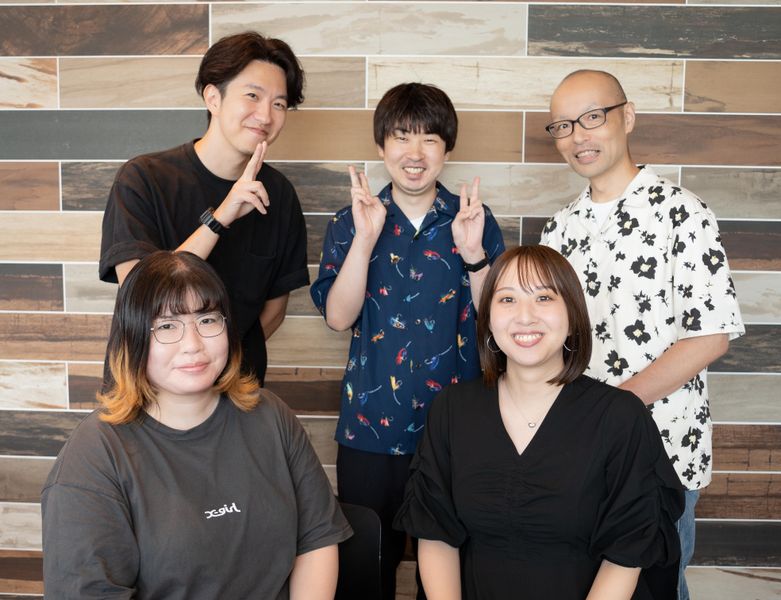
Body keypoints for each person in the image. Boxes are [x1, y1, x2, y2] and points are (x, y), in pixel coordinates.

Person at [539, 69, 745, 599]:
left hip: (663, 450)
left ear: (627, 117)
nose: (578, 136)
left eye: (592, 117)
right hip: (579, 450)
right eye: (563, 126)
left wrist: (615, 409)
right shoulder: (558, 229)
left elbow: (711, 335)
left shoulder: (684, 213)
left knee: (658, 586)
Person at [42, 251, 352, 599]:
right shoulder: (94, 456)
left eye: (207, 320)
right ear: (132, 337)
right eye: (167, 325)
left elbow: (316, 538)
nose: (193, 345)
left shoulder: (270, 415)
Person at [395, 245, 685, 600]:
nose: (525, 316)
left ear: (572, 315)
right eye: (507, 299)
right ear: (488, 319)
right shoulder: (451, 410)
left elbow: (626, 554)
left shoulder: (621, 417)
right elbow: (435, 533)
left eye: (544, 298)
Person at [310, 82, 505, 599]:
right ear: (381, 146)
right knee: (367, 565)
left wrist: (474, 256)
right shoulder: (349, 221)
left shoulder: (474, 220)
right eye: (401, 136)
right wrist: (365, 239)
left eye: (429, 140)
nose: (414, 153)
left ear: (447, 150)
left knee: (447, 574)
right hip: (371, 427)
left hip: (457, 428)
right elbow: (338, 317)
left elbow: (500, 325)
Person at [99, 32, 310, 386]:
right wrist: (221, 217)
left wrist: (216, 370)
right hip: (145, 395)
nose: (265, 115)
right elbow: (141, 295)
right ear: (213, 97)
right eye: (253, 96)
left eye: (279, 104)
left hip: (236, 394)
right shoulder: (143, 179)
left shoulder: (279, 195)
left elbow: (274, 309)